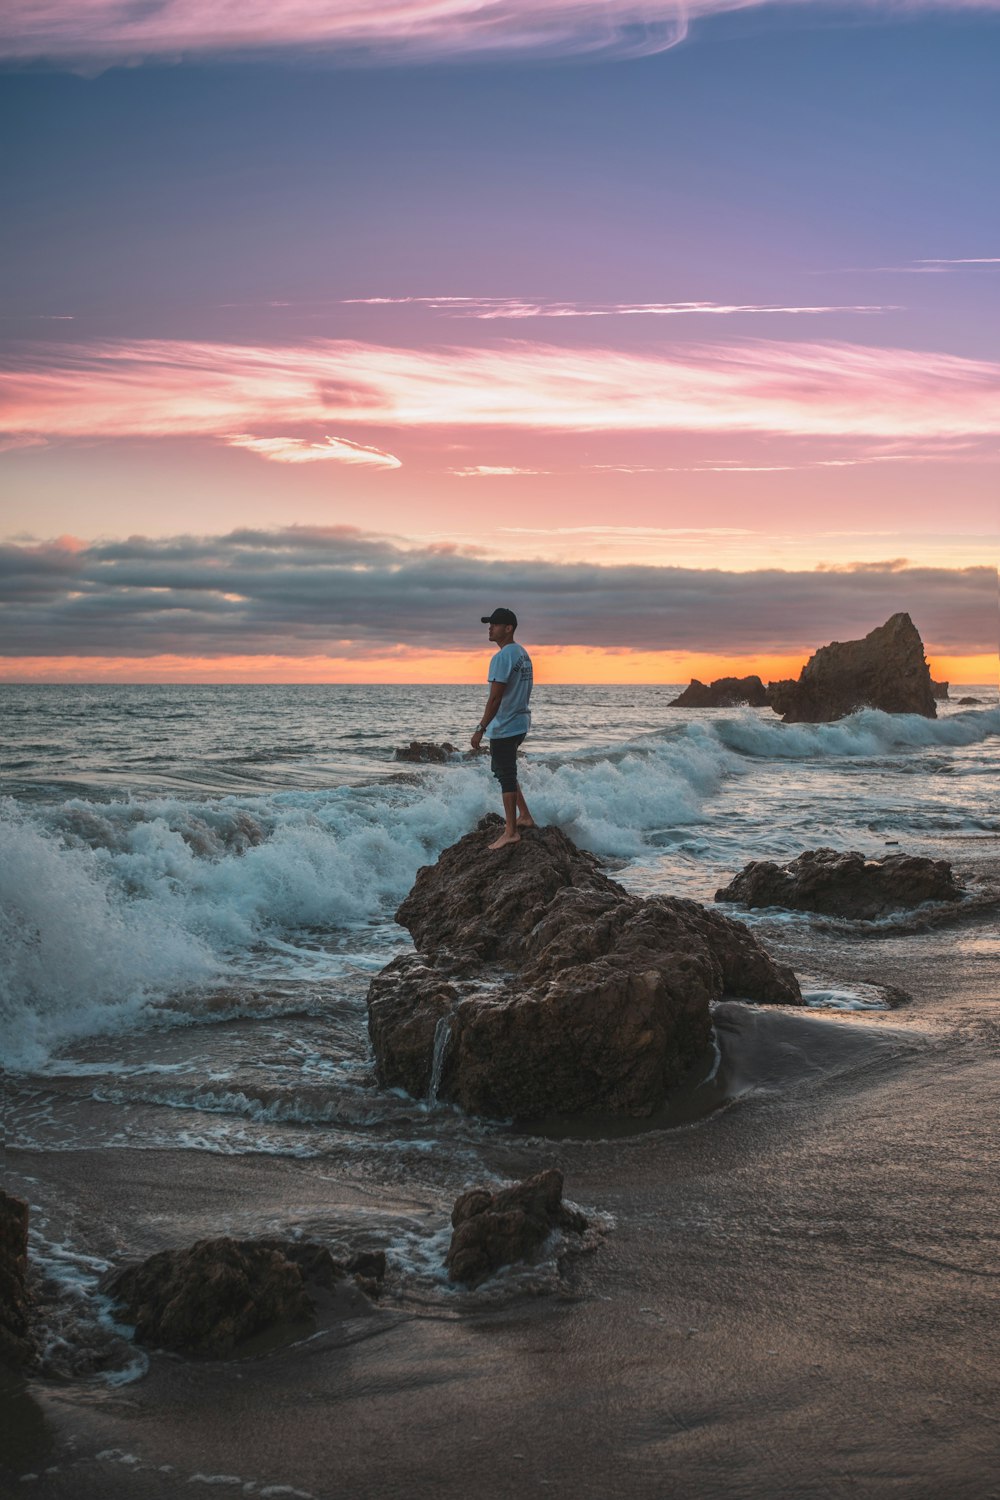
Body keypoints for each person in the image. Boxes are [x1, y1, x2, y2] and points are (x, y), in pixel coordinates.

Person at [470, 607, 535, 849]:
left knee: (505, 775)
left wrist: (481, 728)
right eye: (490, 624)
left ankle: (511, 831)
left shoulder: (501, 657)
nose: (490, 628)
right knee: (506, 771)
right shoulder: (522, 654)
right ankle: (525, 817)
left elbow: (495, 699)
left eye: (495, 624)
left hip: (506, 726)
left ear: (509, 628)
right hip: (520, 723)